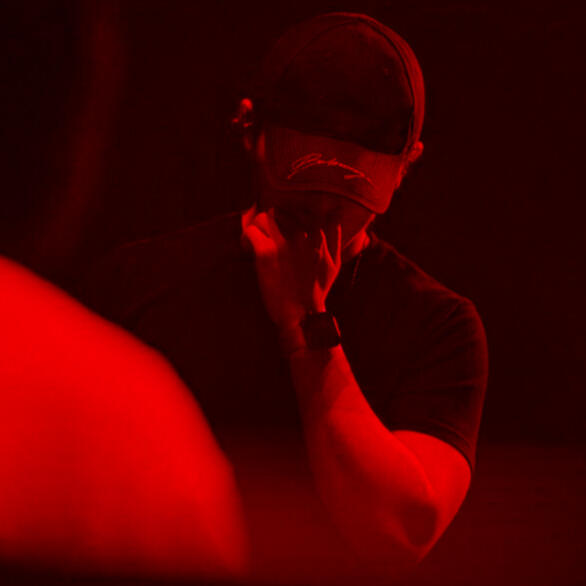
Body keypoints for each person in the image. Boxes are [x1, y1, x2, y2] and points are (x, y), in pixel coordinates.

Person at [79, 12, 488, 583]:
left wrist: (307, 324)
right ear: (250, 131)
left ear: (406, 167)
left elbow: (399, 534)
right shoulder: (137, 281)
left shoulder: (437, 325)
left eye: (348, 194)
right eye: (301, 184)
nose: (321, 212)